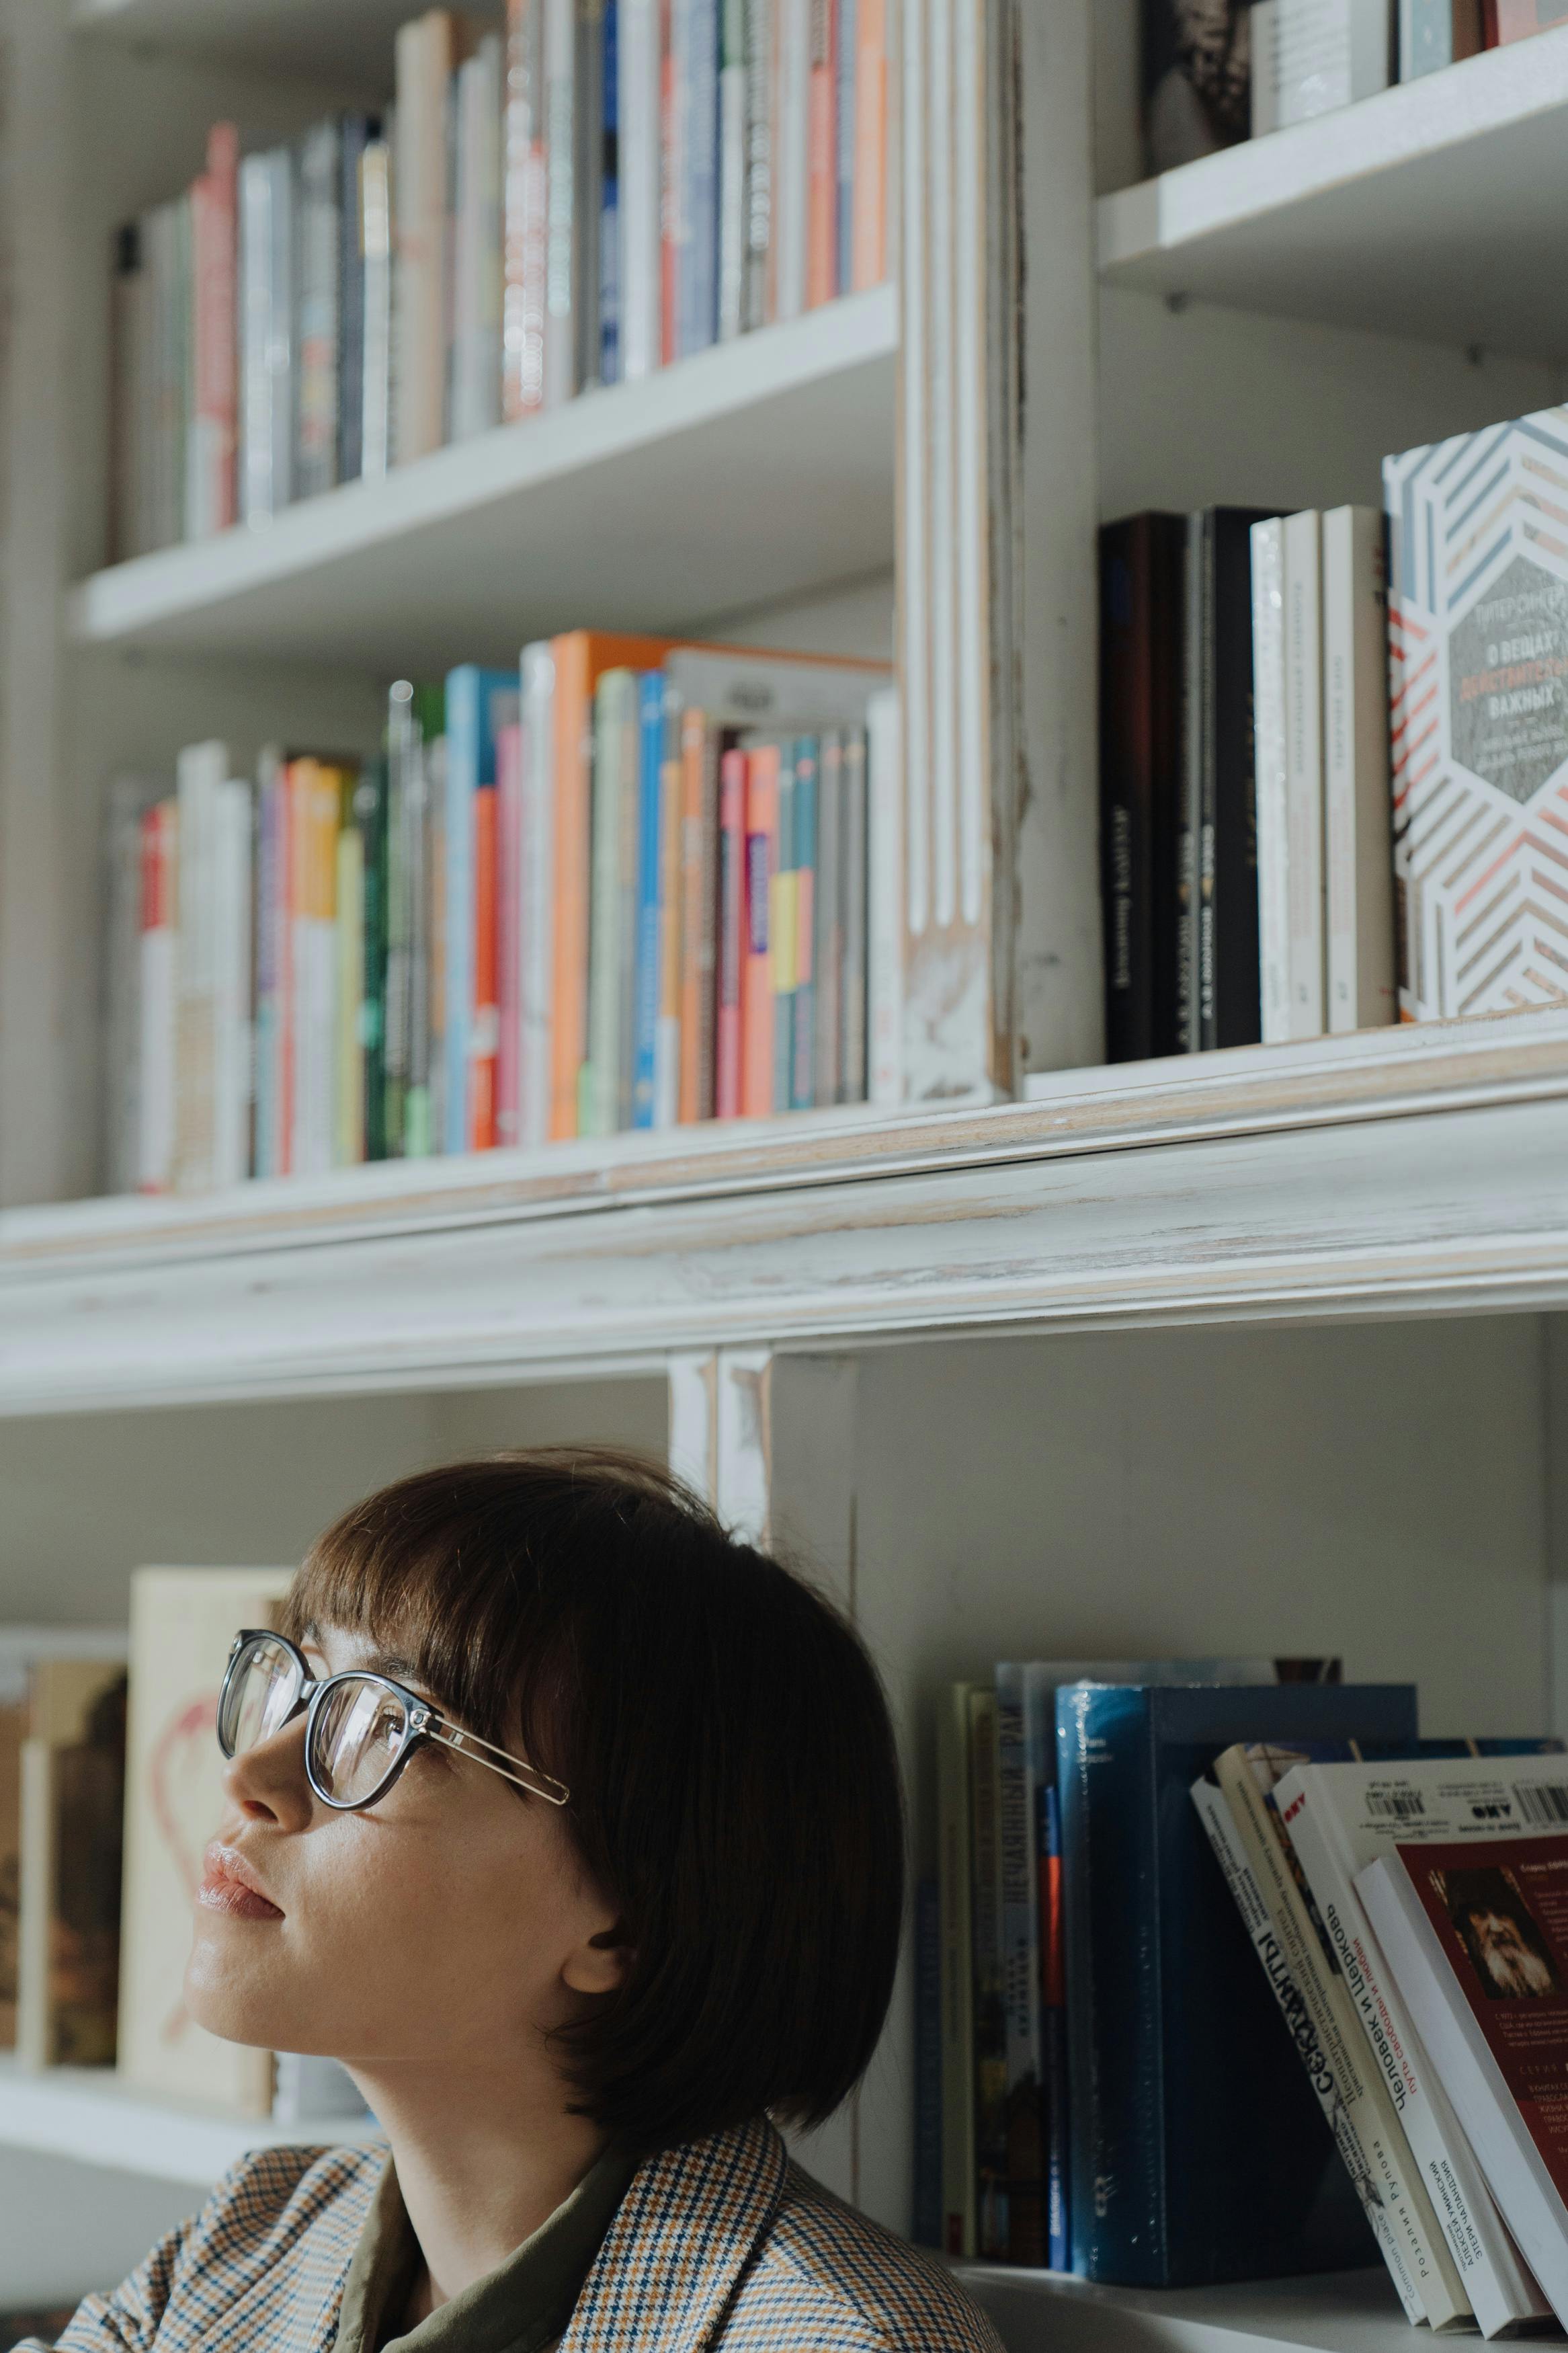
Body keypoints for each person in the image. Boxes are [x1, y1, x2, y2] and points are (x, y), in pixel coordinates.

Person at [32, 1449, 1005, 2353]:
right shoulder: (246, 2247)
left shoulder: (845, 2342)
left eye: (383, 1725)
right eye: (304, 1687)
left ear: (624, 1919)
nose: (253, 1772)